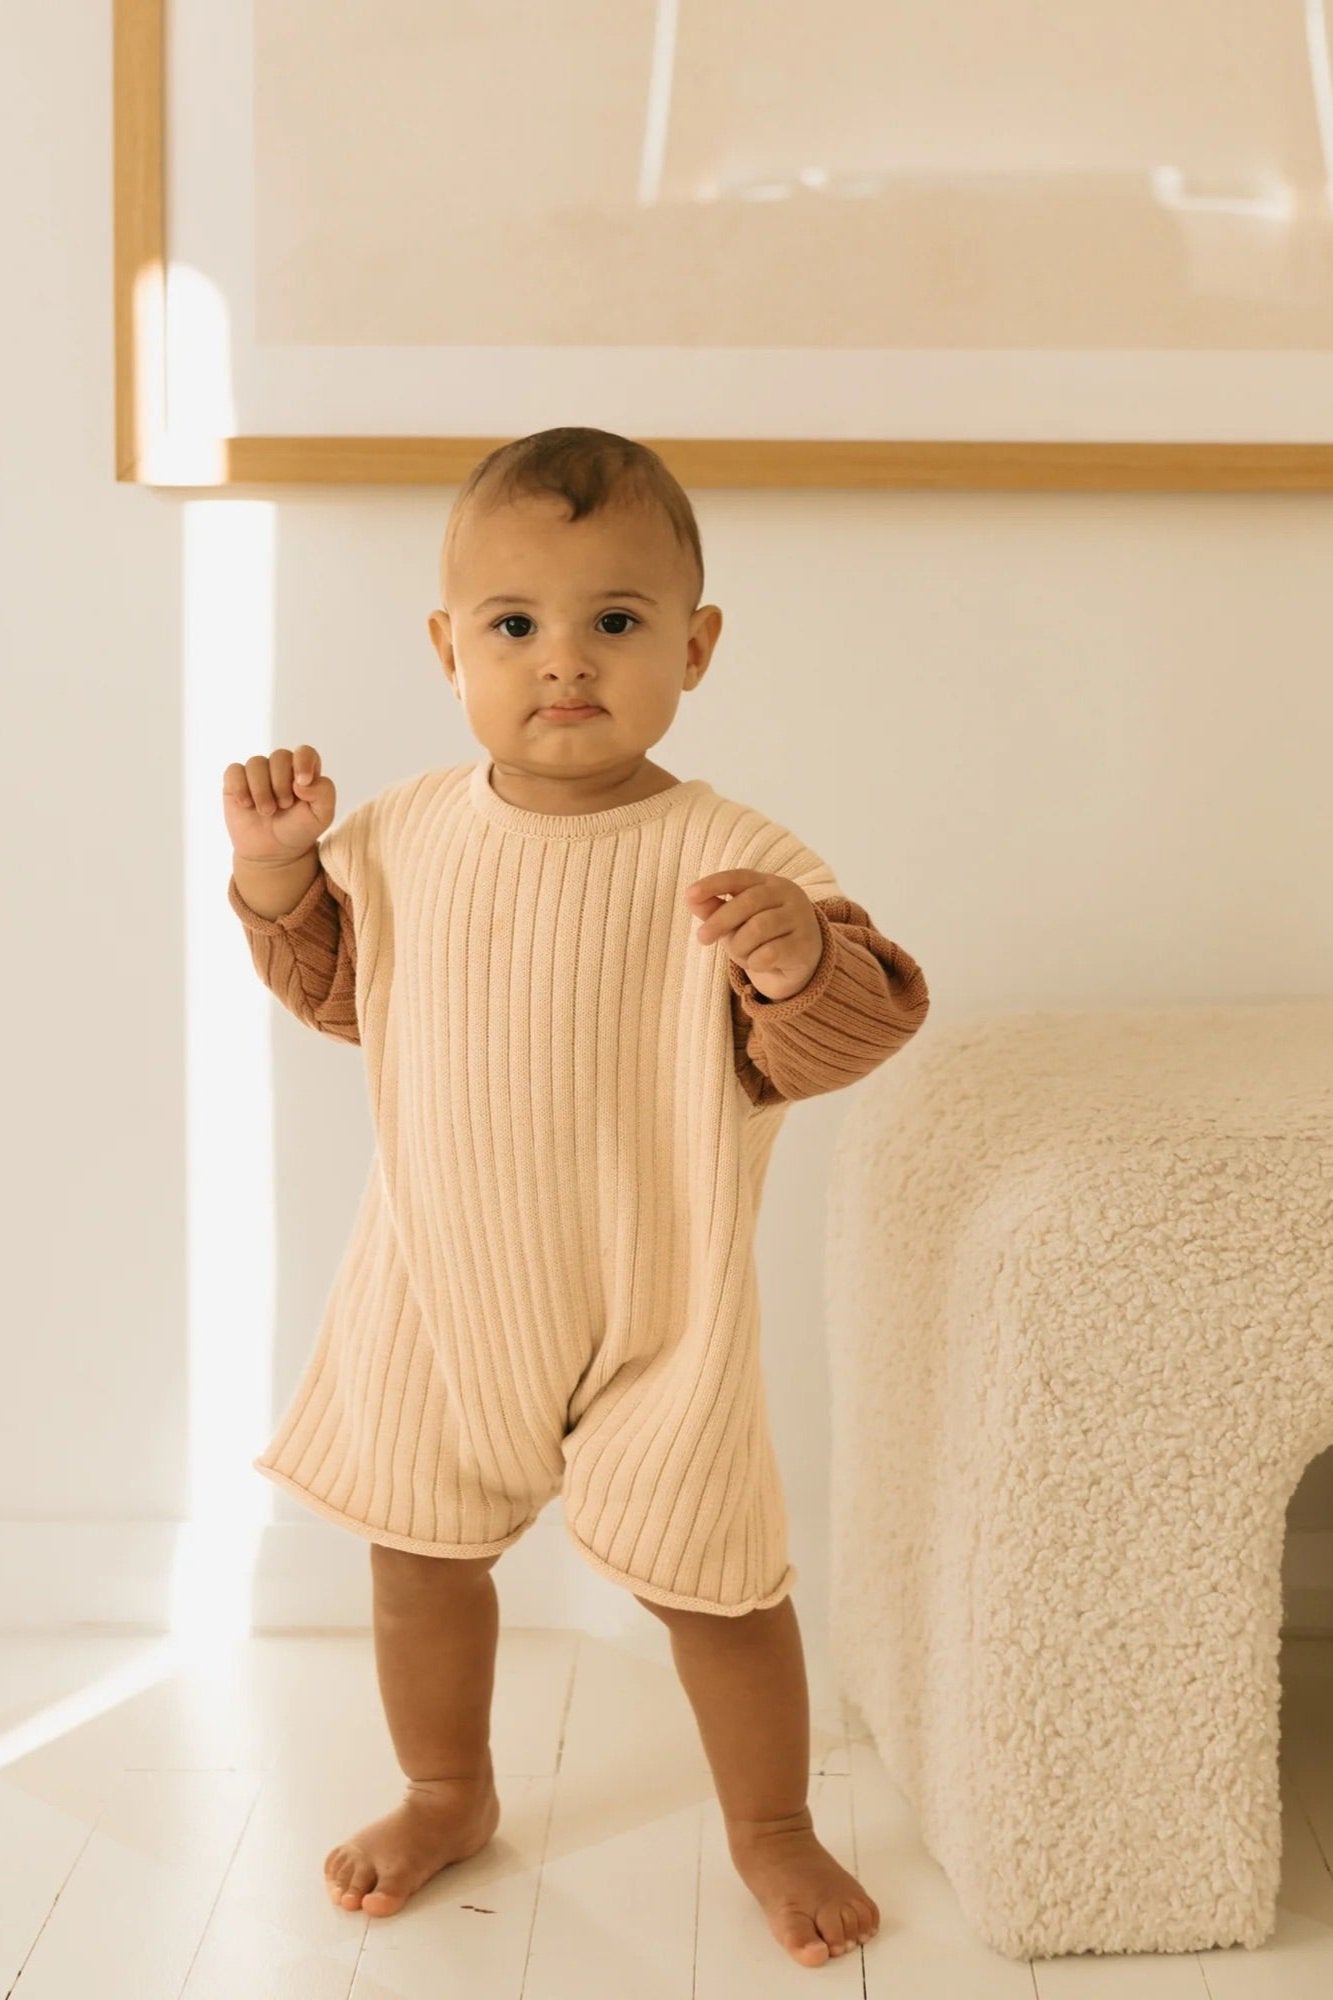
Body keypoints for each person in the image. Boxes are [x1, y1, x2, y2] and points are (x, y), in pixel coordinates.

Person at [223, 426, 930, 1969]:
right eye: (514, 625)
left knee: (719, 1585)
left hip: (652, 1307)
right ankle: (446, 1786)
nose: (564, 662)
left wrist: (795, 960)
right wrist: (279, 878)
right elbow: (345, 993)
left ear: (694, 645)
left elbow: (852, 1031)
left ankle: (767, 1825)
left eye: (614, 622)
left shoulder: (734, 856)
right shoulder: (399, 838)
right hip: (434, 1287)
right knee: (415, 1560)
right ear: (446, 646)